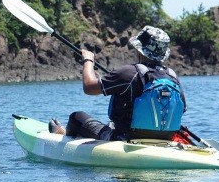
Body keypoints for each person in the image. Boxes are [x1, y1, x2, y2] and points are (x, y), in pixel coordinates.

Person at [49, 25, 187, 141]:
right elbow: (183, 109)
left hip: (125, 138)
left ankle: (62, 135)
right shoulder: (172, 76)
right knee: (111, 124)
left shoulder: (128, 73)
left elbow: (89, 87)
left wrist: (88, 60)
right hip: (165, 139)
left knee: (76, 117)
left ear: (140, 50)